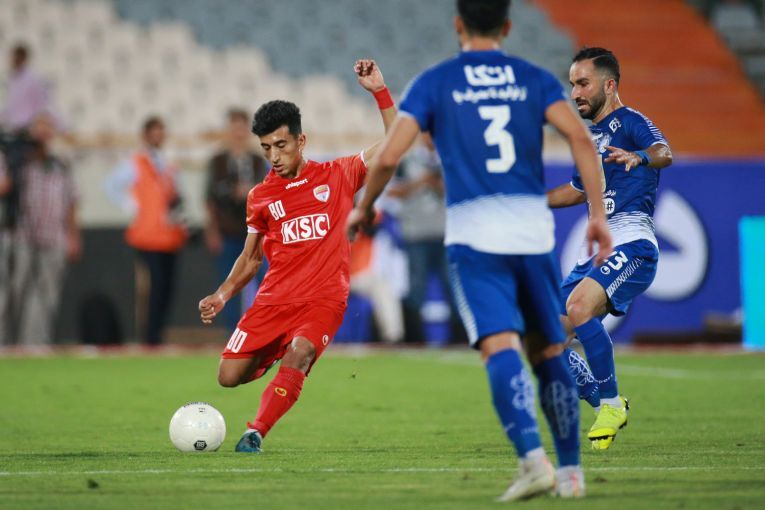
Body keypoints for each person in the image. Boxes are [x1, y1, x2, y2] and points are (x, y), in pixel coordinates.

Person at [346, 0, 612, 501]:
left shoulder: (436, 82)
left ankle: (532, 460)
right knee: (548, 348)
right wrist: (597, 215)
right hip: (531, 232)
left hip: (475, 236)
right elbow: (580, 139)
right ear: (507, 26)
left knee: (499, 346)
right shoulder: (533, 78)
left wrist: (364, 207)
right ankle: (571, 473)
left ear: (458, 25)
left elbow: (389, 156)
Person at [197, 59, 397, 453]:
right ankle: (279, 354)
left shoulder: (337, 175)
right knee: (228, 376)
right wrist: (222, 294)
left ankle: (256, 431)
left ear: (301, 141)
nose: (273, 155)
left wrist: (379, 92)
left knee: (301, 353)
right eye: (265, 148)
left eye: (281, 145)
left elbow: (394, 144)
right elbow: (251, 258)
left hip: (323, 299)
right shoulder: (260, 196)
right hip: (273, 301)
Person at [547, 47, 673, 450]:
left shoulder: (632, 121)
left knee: (579, 307)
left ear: (609, 85)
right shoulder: (588, 138)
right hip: (596, 253)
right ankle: (600, 398)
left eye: (583, 83)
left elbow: (664, 153)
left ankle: (610, 403)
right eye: (572, 84)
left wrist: (638, 156)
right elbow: (577, 190)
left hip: (632, 243)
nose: (575, 93)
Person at [106, 116, 188, 345]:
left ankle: (158, 333)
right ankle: (150, 336)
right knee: (155, 286)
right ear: (145, 135)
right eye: (154, 132)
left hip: (170, 236)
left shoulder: (168, 163)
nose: (158, 136)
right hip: (148, 236)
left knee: (167, 287)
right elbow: (111, 185)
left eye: (161, 132)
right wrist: (132, 206)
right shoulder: (136, 162)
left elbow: (176, 197)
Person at [1, 112, 80, 346]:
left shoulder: (60, 166)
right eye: (38, 131)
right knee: (12, 291)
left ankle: (35, 345)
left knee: (45, 295)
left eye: (47, 131)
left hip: (53, 236)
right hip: (19, 235)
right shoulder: (16, 163)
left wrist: (73, 236)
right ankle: (4, 344)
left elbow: (71, 201)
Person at [386, 133, 455, 343]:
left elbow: (463, 191)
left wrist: (439, 185)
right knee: (416, 288)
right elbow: (393, 192)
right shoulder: (408, 160)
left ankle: (460, 338)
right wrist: (422, 181)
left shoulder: (450, 158)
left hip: (446, 233)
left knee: (453, 287)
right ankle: (414, 339)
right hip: (416, 233)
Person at [205, 108, 269, 331]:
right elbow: (210, 198)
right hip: (228, 231)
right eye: (235, 128)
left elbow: (268, 194)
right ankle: (233, 334)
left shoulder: (257, 161)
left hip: (254, 233)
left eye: (242, 128)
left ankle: (264, 330)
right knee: (228, 285)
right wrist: (212, 230)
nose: (238, 133)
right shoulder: (218, 161)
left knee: (265, 282)